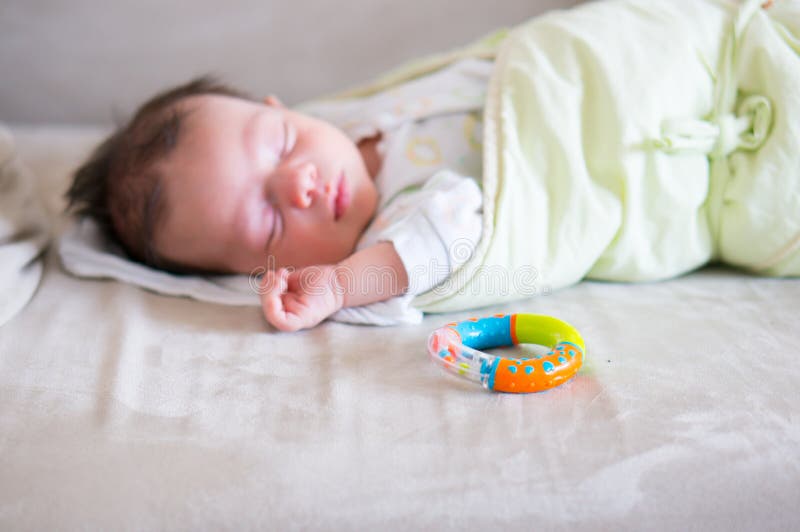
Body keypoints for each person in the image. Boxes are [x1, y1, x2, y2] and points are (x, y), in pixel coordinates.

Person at [66, 59, 491, 331]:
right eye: (267, 223)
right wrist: (341, 287)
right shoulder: (384, 245)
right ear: (257, 272)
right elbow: (449, 233)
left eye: (283, 142)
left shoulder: (343, 121)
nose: (298, 184)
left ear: (282, 108)